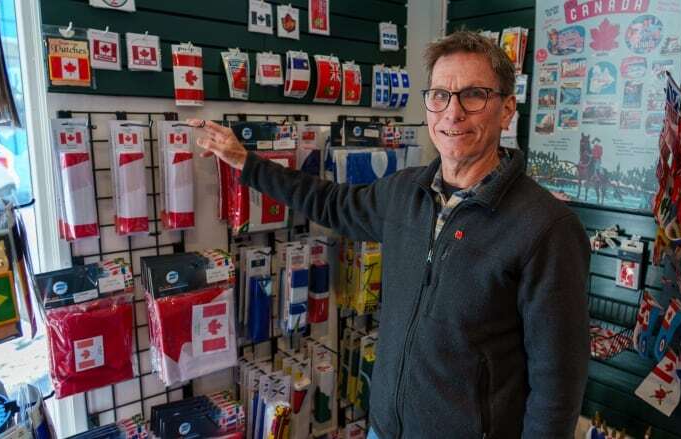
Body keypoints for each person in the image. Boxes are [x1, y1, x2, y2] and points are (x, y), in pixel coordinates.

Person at [189, 30, 590, 439]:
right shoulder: (405, 192)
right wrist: (246, 161)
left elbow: (558, 381)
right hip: (384, 428)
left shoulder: (547, 228)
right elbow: (328, 201)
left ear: (506, 110)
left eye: (474, 95)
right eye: (439, 96)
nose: (452, 114)